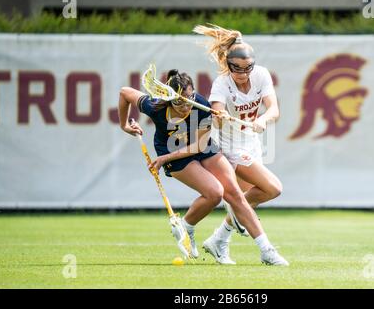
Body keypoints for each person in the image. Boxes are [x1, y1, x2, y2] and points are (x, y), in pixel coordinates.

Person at [118, 69, 288, 265]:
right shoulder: (155, 105)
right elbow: (125, 92)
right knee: (215, 193)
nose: (185, 106)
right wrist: (125, 126)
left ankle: (266, 250)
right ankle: (188, 227)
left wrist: (165, 158)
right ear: (169, 99)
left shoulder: (201, 106)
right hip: (173, 152)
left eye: (189, 98)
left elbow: (198, 146)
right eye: (179, 102)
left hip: (199, 146)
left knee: (234, 193)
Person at [193, 24, 284, 261]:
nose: (243, 75)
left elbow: (273, 109)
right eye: (237, 69)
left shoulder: (262, 75)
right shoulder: (222, 84)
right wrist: (219, 117)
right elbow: (217, 117)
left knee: (243, 202)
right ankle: (265, 252)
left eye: (247, 69)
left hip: (252, 142)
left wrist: (263, 120)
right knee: (272, 188)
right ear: (228, 65)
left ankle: (219, 241)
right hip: (230, 148)